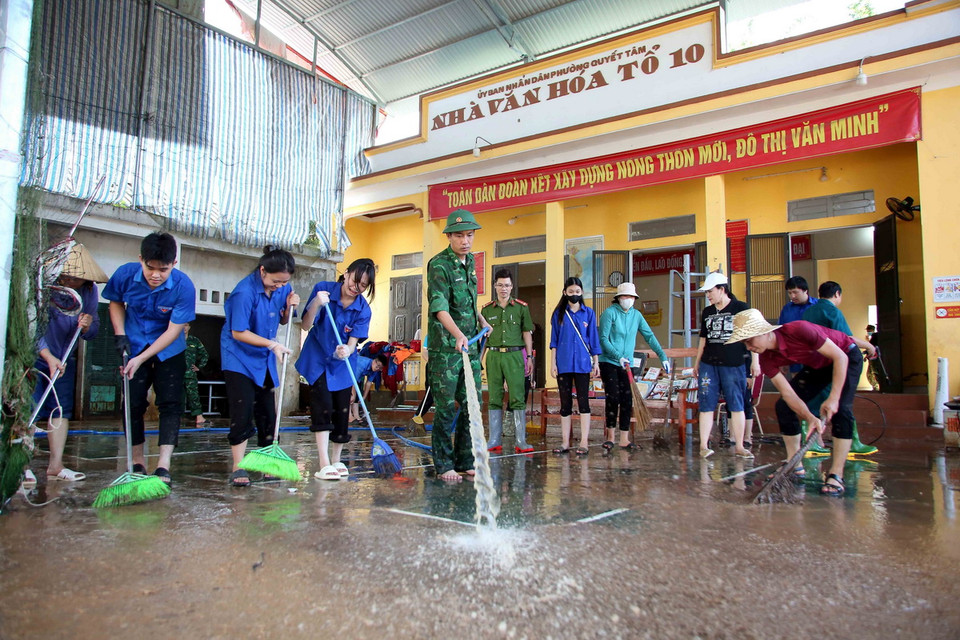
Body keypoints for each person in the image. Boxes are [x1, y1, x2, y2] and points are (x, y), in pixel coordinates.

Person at [726, 308, 863, 496]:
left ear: (765, 332)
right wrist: (809, 417)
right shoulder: (767, 357)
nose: (748, 347)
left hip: (846, 356)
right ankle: (794, 464)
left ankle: (836, 474)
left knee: (841, 411)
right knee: (783, 406)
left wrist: (833, 398)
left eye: (749, 340)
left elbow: (840, 356)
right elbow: (788, 394)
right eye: (744, 342)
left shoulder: (798, 329)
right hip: (819, 366)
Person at [103, 232, 196, 485]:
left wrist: (142, 358)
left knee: (170, 403)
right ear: (141, 259)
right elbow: (115, 303)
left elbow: (173, 330)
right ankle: (137, 462)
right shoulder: (124, 275)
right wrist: (120, 335)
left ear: (174, 264)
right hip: (132, 344)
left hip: (169, 350)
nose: (156, 275)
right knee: (132, 404)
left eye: (163, 270)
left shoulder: (183, 286)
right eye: (150, 268)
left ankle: (163, 466)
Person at [29, 243, 108, 484]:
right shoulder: (42, 285)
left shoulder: (88, 291)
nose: (71, 280)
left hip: (64, 360)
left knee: (59, 410)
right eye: (68, 276)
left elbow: (92, 330)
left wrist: (86, 325)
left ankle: (56, 465)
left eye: (77, 278)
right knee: (28, 411)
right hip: (35, 358)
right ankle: (22, 466)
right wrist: (47, 357)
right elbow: (30, 326)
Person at [220, 248, 299, 487]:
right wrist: (272, 344)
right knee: (242, 409)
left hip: (264, 354)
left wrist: (290, 305)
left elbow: (283, 318)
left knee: (267, 410)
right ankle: (238, 466)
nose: (280, 285)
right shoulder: (244, 292)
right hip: (239, 356)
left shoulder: (283, 288)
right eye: (276, 281)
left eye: (285, 281)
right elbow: (238, 332)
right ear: (262, 271)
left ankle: (266, 462)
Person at [426, 209, 491, 482]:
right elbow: (439, 305)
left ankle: (465, 460)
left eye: (470, 235)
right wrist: (457, 335)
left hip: (470, 348)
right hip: (446, 350)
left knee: (470, 404)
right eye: (460, 235)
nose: (466, 240)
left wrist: (482, 319)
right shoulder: (439, 264)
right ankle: (443, 464)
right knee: (445, 408)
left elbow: (467, 304)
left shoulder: (471, 262)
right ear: (449, 236)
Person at [297, 258, 375, 481]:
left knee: (342, 409)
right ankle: (323, 463)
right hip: (318, 358)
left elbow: (353, 342)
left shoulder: (363, 309)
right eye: (354, 280)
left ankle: (337, 459)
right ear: (347, 273)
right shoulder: (323, 290)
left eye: (362, 285)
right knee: (322, 405)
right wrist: (316, 304)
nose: (355, 287)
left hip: (342, 364)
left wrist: (348, 351)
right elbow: (305, 324)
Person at [802, 280, 878, 456]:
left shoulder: (809, 312)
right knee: (843, 402)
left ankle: (811, 443)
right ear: (837, 294)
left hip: (814, 362)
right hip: (835, 362)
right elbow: (846, 338)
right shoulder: (832, 312)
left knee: (814, 402)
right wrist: (869, 346)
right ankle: (852, 442)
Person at [693, 271, 758, 459]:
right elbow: (703, 341)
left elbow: (751, 335)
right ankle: (704, 446)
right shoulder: (707, 312)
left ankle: (739, 445)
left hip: (734, 363)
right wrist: (697, 363)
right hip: (709, 364)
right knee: (706, 403)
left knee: (736, 403)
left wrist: (755, 361)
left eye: (710, 291)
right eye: (706, 292)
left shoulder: (740, 308)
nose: (708, 295)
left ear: (722, 290)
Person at [598, 282, 669, 451]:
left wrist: (662, 356)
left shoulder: (636, 315)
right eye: (625, 296)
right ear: (618, 298)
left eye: (631, 297)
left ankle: (624, 438)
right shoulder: (609, 313)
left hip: (627, 363)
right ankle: (610, 436)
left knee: (627, 399)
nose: (628, 300)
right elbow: (603, 339)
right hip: (608, 361)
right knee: (613, 396)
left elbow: (649, 336)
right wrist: (617, 356)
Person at [481, 268, 534, 453]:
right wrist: (479, 360)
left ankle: (521, 440)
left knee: (517, 397)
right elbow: (483, 338)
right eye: (501, 285)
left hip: (514, 356)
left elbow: (526, 332)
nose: (504, 289)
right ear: (495, 286)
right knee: (494, 397)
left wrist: (529, 357)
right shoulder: (486, 310)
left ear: (512, 287)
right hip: (494, 356)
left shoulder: (521, 307)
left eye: (507, 285)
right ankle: (494, 439)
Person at [549, 277, 601, 455]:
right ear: (565, 293)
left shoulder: (589, 313)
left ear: (582, 293)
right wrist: (552, 364)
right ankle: (565, 442)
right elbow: (554, 341)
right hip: (563, 364)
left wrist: (596, 363)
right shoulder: (559, 314)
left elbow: (593, 339)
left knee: (584, 402)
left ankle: (584, 442)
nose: (574, 295)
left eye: (577, 292)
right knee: (565, 404)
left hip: (583, 364)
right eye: (571, 292)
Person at [183, 323, 209, 426]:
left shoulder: (194, 340)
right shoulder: (173, 339)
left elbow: (204, 355)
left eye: (186, 325)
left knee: (193, 396)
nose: (184, 328)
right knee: (175, 397)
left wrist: (199, 366)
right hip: (176, 374)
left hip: (190, 374)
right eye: (182, 325)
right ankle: (176, 418)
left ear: (189, 327)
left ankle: (199, 417)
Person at [350, 353, 388, 423]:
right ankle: (349, 416)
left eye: (380, 368)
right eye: (378, 366)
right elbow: (352, 380)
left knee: (357, 397)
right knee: (350, 396)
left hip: (356, 379)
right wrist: (353, 393)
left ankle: (356, 416)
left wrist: (364, 397)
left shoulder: (375, 370)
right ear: (374, 361)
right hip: (347, 375)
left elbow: (368, 383)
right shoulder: (362, 363)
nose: (378, 369)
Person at [865, 324, 881, 391]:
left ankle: (877, 387)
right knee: (872, 373)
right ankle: (876, 387)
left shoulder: (875, 336)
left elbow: (871, 347)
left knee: (873, 373)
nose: (868, 332)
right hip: (873, 358)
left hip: (874, 358)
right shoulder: (874, 336)